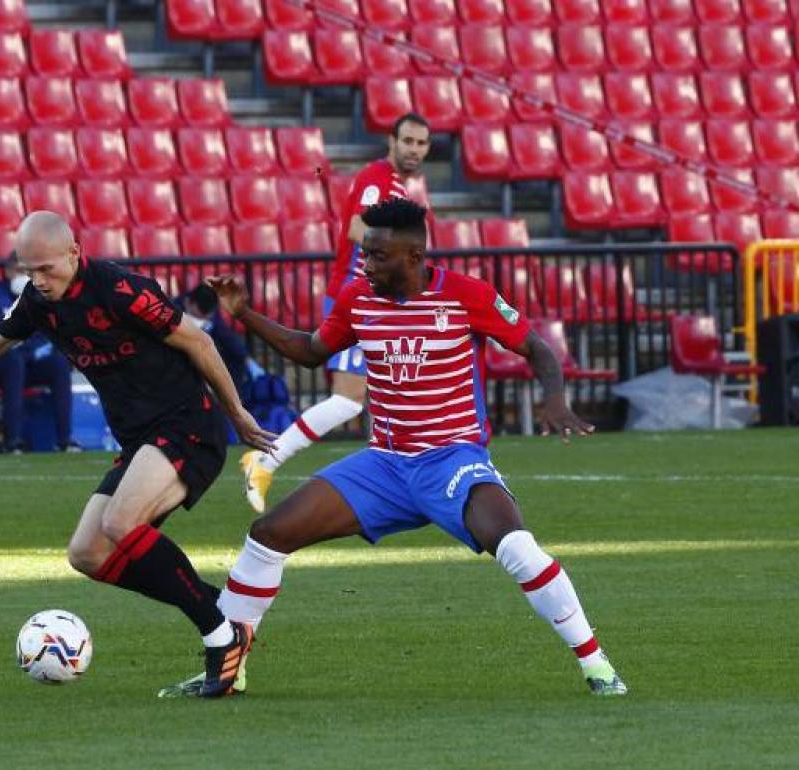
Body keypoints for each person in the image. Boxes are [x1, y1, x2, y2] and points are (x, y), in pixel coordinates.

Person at [162, 198, 627, 698]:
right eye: (365, 252)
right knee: (268, 533)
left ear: (414, 256)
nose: (367, 264)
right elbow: (312, 350)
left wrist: (555, 400)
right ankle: (228, 671)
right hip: (383, 465)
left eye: (379, 255)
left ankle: (598, 667)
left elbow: (535, 347)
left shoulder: (465, 295)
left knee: (516, 547)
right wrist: (245, 314)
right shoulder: (358, 297)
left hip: (452, 458)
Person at [0, 211, 277, 697]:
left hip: (187, 425)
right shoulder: (36, 302)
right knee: (87, 553)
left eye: (46, 269)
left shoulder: (119, 289)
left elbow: (197, 340)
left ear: (74, 253)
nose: (39, 281)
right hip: (141, 441)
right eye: (29, 271)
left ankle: (221, 634)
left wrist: (236, 412)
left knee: (120, 522)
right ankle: (218, 611)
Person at [240, 113, 434, 513]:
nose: (414, 149)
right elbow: (356, 229)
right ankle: (264, 460)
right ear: (391, 141)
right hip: (358, 297)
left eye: (421, 143)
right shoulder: (377, 178)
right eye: (408, 141)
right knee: (348, 401)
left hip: (379, 298)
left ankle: (396, 482)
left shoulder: (395, 185)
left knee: (388, 391)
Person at [0, 252, 75, 453]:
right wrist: (26, 351)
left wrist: (32, 351)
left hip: (20, 366)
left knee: (58, 363)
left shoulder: (38, 301)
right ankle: (13, 441)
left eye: (29, 271)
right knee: (13, 361)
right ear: (8, 271)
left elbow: (45, 339)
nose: (25, 276)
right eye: (20, 270)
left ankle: (65, 441)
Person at [178, 283, 251, 392]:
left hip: (206, 352)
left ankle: (233, 398)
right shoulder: (173, 308)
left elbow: (226, 336)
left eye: (207, 316)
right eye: (199, 315)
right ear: (189, 303)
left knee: (238, 354)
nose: (203, 318)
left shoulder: (210, 310)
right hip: (179, 354)